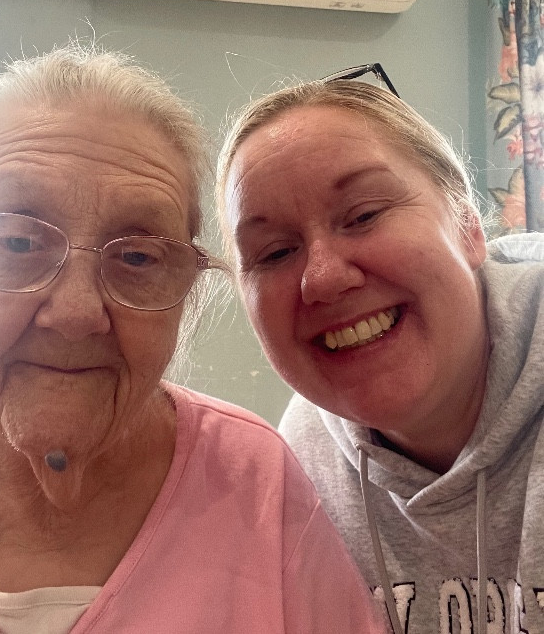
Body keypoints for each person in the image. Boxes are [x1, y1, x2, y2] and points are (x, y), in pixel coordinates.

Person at [0, 45, 388, 633]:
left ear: (185, 297)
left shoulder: (258, 484)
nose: (76, 314)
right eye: (18, 243)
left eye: (138, 257)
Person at [216, 64, 544, 634]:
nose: (322, 278)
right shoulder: (303, 461)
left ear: (468, 225)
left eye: (364, 215)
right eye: (274, 253)